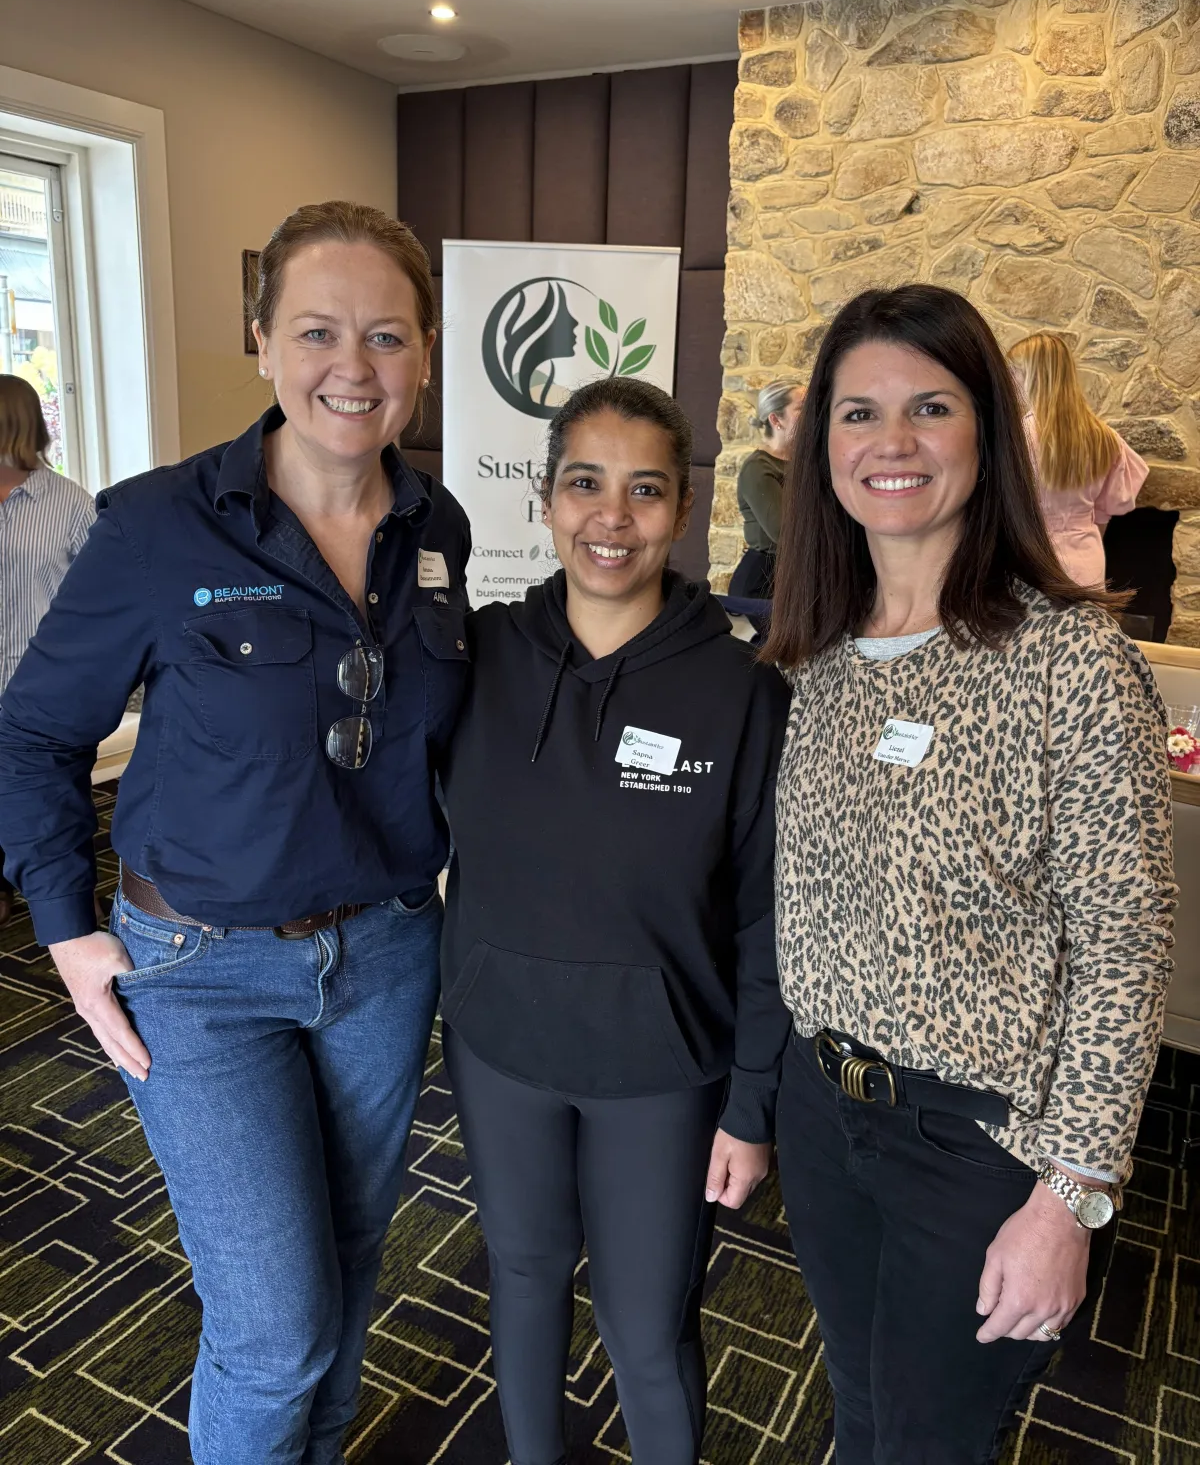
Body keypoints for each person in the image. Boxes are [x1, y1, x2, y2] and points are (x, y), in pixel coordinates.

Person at [0, 201, 471, 1465]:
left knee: (351, 1264)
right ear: (262, 339)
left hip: (383, 954)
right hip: (200, 972)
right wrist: (65, 932)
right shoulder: (161, 525)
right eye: (317, 329)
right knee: (273, 1324)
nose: (351, 366)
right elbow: (32, 731)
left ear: (424, 354)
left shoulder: (439, 531)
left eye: (385, 335)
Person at [762, 286, 1174, 1465]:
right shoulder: (817, 655)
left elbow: (1126, 948)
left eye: (929, 407)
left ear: (986, 430)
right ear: (820, 444)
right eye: (859, 412)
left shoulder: (1072, 661)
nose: (891, 442)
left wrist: (1071, 1196)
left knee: (928, 1442)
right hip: (823, 1108)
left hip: (984, 1147)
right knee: (859, 1408)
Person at [438, 377, 792, 1465]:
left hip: (663, 1069)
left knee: (646, 1330)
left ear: (680, 511)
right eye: (585, 483)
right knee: (526, 1285)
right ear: (545, 500)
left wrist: (752, 1103)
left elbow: (771, 916)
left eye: (644, 490)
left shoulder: (743, 690)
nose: (612, 516)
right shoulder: (475, 656)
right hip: (503, 1050)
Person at [0, 374, 95, 926]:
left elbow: (99, 603)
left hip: (44, 690)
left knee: (53, 804)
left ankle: (65, 903)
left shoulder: (70, 505)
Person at [1009, 330, 1147, 588]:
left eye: (1015, 371)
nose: (1011, 380)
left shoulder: (1018, 438)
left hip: (1031, 560)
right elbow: (1106, 512)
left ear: (1034, 376)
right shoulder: (1105, 438)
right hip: (1087, 560)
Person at [728, 377, 804, 601]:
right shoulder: (758, 468)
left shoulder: (805, 463)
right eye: (802, 408)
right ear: (776, 419)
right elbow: (783, 532)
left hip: (794, 576)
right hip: (764, 582)